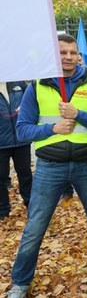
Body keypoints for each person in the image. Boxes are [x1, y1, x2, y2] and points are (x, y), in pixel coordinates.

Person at [7, 34, 87, 298]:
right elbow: (22, 131)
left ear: (79, 55)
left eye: (72, 52)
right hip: (49, 167)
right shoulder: (37, 85)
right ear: (52, 56)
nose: (67, 57)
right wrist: (52, 128)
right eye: (61, 53)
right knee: (35, 226)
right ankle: (20, 282)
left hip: (86, 165)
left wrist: (78, 115)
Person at [0, 80, 31, 220]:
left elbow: (30, 101)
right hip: (1, 143)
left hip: (21, 140)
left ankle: (31, 205)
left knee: (25, 175)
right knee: (1, 178)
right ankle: (3, 212)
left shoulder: (18, 84)